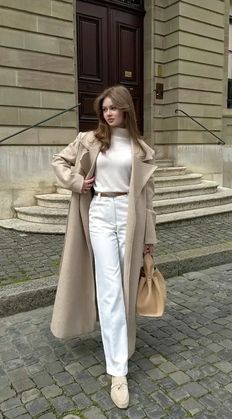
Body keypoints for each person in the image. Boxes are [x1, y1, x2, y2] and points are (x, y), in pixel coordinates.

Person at [50, 85, 157, 409]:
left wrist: (150, 241)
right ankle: (118, 372)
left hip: (130, 216)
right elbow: (59, 160)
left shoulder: (141, 148)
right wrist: (75, 182)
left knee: (124, 288)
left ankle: (123, 346)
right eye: (104, 109)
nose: (108, 113)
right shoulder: (90, 139)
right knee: (109, 289)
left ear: (126, 109)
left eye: (113, 108)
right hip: (99, 213)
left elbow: (149, 199)